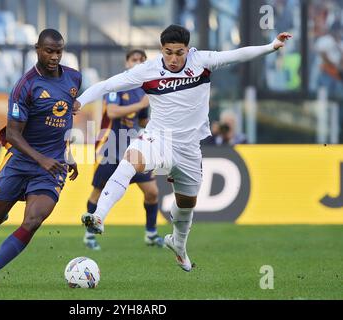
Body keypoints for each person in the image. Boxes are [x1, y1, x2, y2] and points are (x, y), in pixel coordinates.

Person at [74, 24, 291, 272]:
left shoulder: (202, 61)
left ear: (188, 49)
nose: (174, 58)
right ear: (161, 49)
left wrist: (270, 47)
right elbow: (107, 85)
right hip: (159, 138)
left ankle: (178, 245)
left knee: (186, 203)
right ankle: (99, 216)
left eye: (179, 52)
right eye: (168, 52)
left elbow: (237, 54)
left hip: (189, 148)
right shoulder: (148, 70)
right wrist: (80, 100)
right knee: (131, 158)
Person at [0, 28, 81, 288]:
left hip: (52, 167)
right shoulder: (25, 86)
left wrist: (67, 153)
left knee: (33, 220)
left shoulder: (74, 78)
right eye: (49, 51)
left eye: (59, 51)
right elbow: (14, 135)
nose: (54, 57)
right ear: (37, 49)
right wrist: (40, 158)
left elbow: (65, 119)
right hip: (21, 162)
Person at [84, 49, 163, 251]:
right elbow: (112, 111)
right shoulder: (117, 85)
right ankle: (89, 235)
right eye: (134, 59)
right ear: (127, 63)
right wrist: (139, 105)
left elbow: (143, 120)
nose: (137, 62)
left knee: (152, 192)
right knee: (98, 192)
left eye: (141, 60)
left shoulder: (145, 90)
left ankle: (151, 234)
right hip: (111, 146)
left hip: (134, 149)